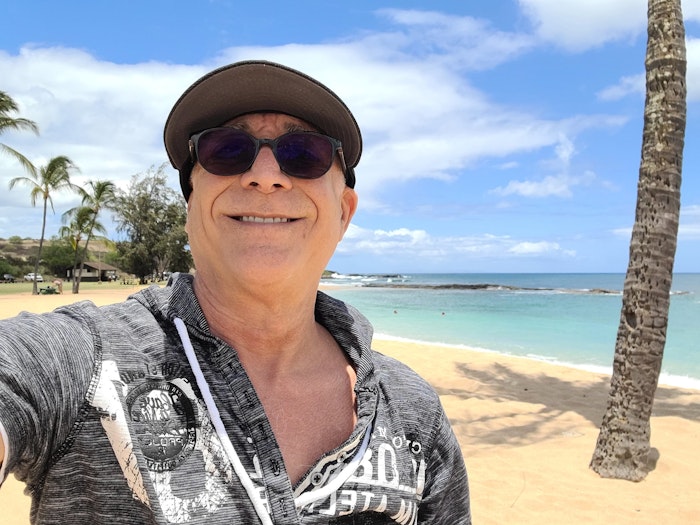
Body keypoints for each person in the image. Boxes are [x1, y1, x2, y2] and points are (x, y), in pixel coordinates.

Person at [0, 60, 470, 524]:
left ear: (344, 212)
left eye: (304, 153)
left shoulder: (411, 411)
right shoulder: (86, 360)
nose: (265, 175)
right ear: (191, 204)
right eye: (226, 150)